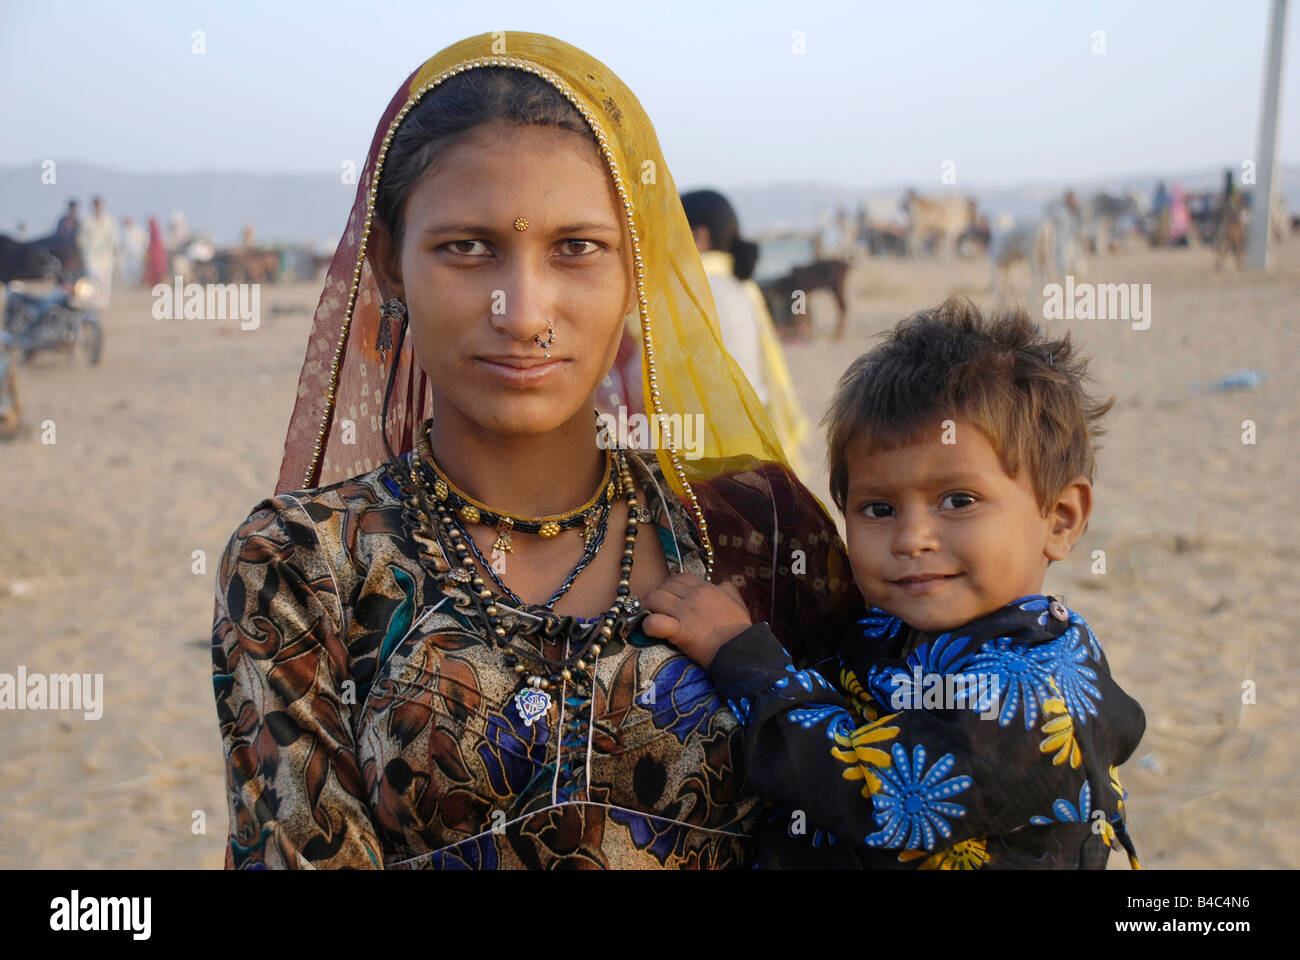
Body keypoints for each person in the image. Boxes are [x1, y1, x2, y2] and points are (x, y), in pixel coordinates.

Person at [211, 32, 858, 870]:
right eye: (467, 247)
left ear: (636, 271)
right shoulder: (302, 566)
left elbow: (901, 803)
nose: (523, 312)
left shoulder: (758, 531)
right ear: (390, 265)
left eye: (577, 248)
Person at [642, 298, 1146, 869]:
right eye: (878, 508)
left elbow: (870, 793)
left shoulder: (1036, 691)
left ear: (1060, 518)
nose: (912, 538)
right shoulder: (886, 628)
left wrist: (741, 655)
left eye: (959, 501)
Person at [681, 189, 810, 477]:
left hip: (709, 449)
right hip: (755, 432)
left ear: (698, 237)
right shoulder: (744, 287)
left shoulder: (685, 288)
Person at [77, 196, 119, 307]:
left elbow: (114, 239)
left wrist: (115, 254)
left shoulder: (109, 221)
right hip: (91, 256)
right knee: (93, 279)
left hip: (106, 257)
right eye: (96, 205)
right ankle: (96, 301)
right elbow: (81, 239)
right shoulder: (87, 221)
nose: (98, 207)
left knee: (105, 280)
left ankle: (104, 302)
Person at [119, 215, 147, 289]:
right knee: (128, 273)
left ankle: (137, 285)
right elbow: (122, 246)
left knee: (137, 271)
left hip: (138, 255)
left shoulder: (138, 229)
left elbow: (145, 240)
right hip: (128, 257)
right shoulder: (124, 232)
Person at [144, 217, 168, 288]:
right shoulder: (154, 234)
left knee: (158, 273)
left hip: (157, 257)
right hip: (155, 257)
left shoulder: (155, 234)